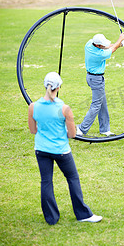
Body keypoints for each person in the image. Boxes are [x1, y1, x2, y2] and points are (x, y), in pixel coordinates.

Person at [28, 72, 102, 225]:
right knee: (72, 179)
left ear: (45, 85)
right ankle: (83, 214)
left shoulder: (33, 107)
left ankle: (51, 218)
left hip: (41, 150)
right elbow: (72, 134)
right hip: (61, 151)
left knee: (46, 181)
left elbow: (33, 130)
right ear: (59, 87)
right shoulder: (65, 109)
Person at [77, 33, 124, 136]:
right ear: (98, 46)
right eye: (102, 45)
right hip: (96, 80)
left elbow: (107, 47)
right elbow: (111, 50)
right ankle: (82, 129)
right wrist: (120, 39)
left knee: (102, 103)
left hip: (92, 77)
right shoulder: (99, 54)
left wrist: (120, 44)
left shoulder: (89, 44)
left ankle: (104, 129)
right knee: (96, 105)